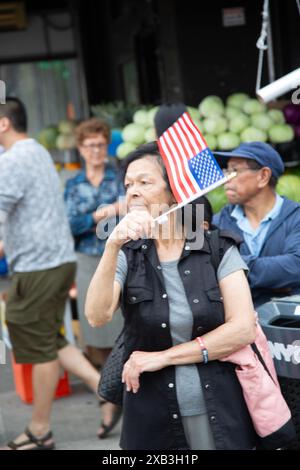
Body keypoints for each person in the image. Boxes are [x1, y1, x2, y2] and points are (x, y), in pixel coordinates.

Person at [85, 141, 261, 450]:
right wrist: (111, 245)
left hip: (221, 408)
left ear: (175, 192)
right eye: (128, 185)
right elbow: (97, 316)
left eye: (144, 182)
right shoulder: (127, 253)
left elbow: (242, 329)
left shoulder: (218, 248)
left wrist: (162, 358)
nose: (132, 192)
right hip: (152, 416)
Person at [0, 99, 109, 450]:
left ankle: (41, 429)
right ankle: (104, 390)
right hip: (54, 260)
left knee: (38, 345)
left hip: (38, 265)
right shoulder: (36, 151)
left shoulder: (13, 160)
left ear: (3, 123)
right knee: (48, 335)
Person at [64, 117, 124, 437]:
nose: (96, 150)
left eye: (101, 144)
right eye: (90, 145)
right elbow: (69, 224)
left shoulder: (120, 177)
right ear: (81, 148)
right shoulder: (73, 184)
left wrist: (117, 209)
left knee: (122, 326)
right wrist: (102, 213)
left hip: (120, 256)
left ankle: (121, 391)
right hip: (87, 259)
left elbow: (132, 209)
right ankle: (110, 389)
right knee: (94, 328)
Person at [213, 141, 300, 307]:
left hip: (285, 325)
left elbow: (296, 267)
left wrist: (232, 270)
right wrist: (277, 282)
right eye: (226, 170)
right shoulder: (219, 221)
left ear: (263, 176)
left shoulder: (296, 217)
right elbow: (207, 268)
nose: (226, 179)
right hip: (238, 325)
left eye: (235, 171)